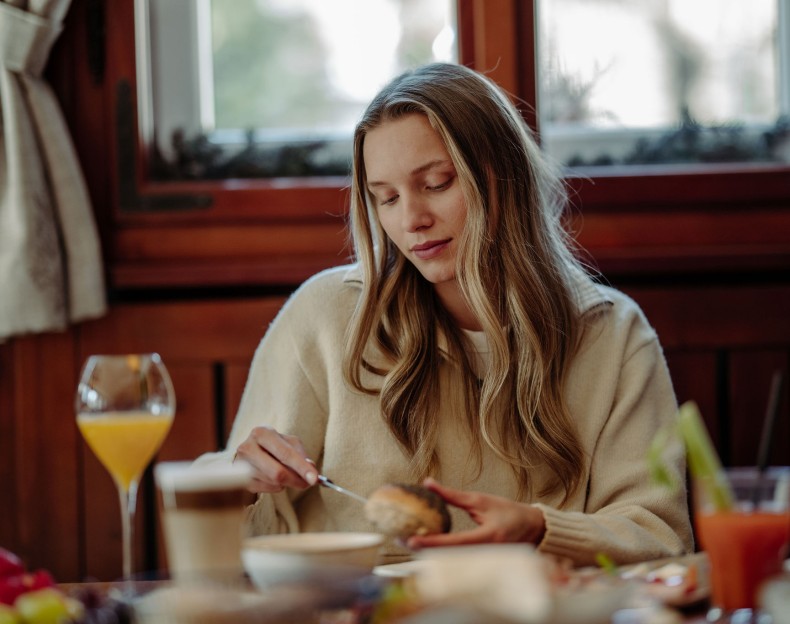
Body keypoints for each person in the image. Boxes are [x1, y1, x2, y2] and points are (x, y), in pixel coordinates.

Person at [195, 62, 693, 567]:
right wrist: (240, 483)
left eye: (436, 183)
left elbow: (660, 535)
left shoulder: (612, 336)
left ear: (504, 178)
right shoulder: (326, 317)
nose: (411, 219)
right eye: (386, 198)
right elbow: (231, 533)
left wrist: (540, 529)